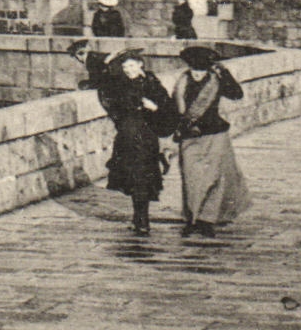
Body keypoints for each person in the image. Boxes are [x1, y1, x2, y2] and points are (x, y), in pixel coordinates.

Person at [172, 45, 251, 237]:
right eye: (194, 70)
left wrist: (225, 73)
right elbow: (174, 108)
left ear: (208, 69)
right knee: (191, 178)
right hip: (189, 135)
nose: (197, 74)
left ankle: (206, 220)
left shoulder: (216, 80)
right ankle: (192, 218)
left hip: (215, 134)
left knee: (214, 177)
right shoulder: (182, 82)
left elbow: (236, 94)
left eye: (201, 70)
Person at [95, 49, 175, 234]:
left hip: (146, 138)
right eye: (125, 67)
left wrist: (154, 108)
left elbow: (168, 109)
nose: (128, 70)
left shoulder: (152, 84)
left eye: (131, 66)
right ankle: (139, 217)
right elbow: (105, 93)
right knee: (133, 178)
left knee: (142, 176)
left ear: (140, 65)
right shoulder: (119, 85)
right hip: (128, 137)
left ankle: (142, 218)